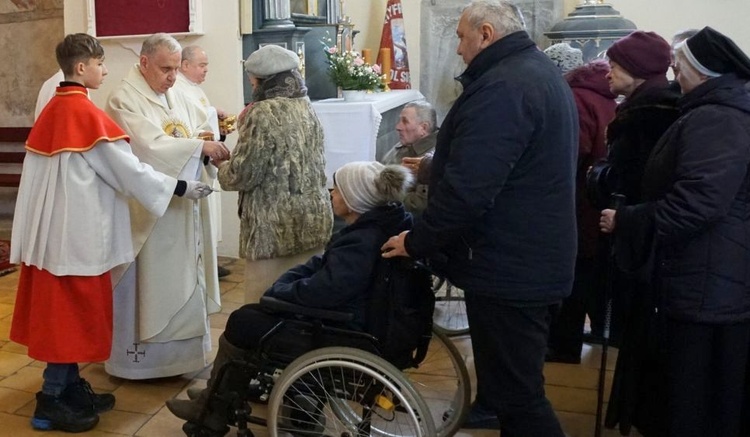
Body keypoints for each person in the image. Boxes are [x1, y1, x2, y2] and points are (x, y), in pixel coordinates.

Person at [381, 1, 578, 435]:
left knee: (521, 400)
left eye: (461, 38)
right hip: (528, 257)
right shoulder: (533, 72)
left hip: (512, 266)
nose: (457, 50)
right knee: (513, 390)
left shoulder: (504, 87)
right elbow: (506, 164)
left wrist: (417, 241)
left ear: (485, 34)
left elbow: (470, 190)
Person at [9, 33, 212, 433]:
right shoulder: (82, 114)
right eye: (100, 64)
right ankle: (51, 399)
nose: (105, 70)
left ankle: (68, 387)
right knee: (70, 318)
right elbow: (126, 169)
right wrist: (179, 186)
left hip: (56, 235)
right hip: (76, 239)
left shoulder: (55, 110)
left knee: (66, 315)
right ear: (81, 68)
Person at [167, 161, 414, 436]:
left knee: (243, 322)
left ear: (354, 200)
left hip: (345, 332)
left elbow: (325, 291)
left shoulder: (362, 240)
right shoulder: (384, 225)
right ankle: (218, 395)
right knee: (253, 317)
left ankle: (212, 411)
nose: (332, 193)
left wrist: (282, 291)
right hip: (361, 321)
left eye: (339, 190)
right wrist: (290, 281)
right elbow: (324, 270)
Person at [600, 26, 750, 437]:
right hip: (710, 274)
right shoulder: (713, 112)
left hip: (706, 277)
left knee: (694, 398)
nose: (673, 74)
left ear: (702, 72)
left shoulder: (716, 119)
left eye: (679, 66)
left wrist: (627, 219)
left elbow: (698, 204)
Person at [104, 33, 229, 380]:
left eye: (176, 69)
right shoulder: (122, 99)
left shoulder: (175, 93)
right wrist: (196, 150)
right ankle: (141, 364)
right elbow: (147, 147)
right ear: (144, 63)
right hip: (149, 213)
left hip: (184, 209)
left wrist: (207, 139)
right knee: (151, 284)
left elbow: (198, 125)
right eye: (165, 69)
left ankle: (182, 360)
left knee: (187, 277)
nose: (172, 77)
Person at [585, 30, 681, 437]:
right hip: (637, 230)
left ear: (639, 71)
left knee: (640, 332)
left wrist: (604, 180)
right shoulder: (649, 105)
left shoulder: (651, 114)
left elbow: (641, 179)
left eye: (617, 65)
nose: (609, 72)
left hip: (643, 238)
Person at [215, 44, 332, 304]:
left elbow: (243, 174)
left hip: (273, 228)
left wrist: (222, 165)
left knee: (266, 306)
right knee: (304, 303)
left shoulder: (262, 111)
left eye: (252, 80)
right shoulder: (306, 106)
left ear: (261, 81)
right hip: (311, 221)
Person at [546, 59, 617, 364]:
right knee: (592, 271)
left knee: (573, 275)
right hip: (599, 199)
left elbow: (571, 153)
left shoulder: (576, 98)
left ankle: (564, 345)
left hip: (577, 200)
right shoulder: (606, 95)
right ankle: (600, 330)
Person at [173, 44, 234, 278]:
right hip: (193, 158)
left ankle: (208, 259)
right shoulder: (178, 87)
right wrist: (212, 112)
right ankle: (201, 261)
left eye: (206, 65)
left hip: (205, 160)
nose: (206, 70)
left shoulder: (194, 88)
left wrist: (213, 115)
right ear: (185, 65)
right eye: (202, 65)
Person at [380, 100, 438, 215]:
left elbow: (419, 205)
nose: (398, 127)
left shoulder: (435, 156)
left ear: (423, 128)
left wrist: (383, 196)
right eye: (399, 120)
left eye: (405, 121)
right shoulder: (408, 142)